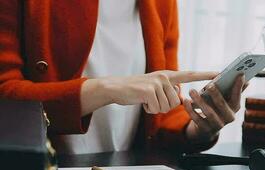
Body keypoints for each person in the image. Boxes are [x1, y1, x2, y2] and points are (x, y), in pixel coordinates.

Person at [0, 0, 246, 154]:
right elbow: (5, 95)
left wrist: (198, 128)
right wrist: (107, 89)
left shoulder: (161, 3)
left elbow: (161, 118)